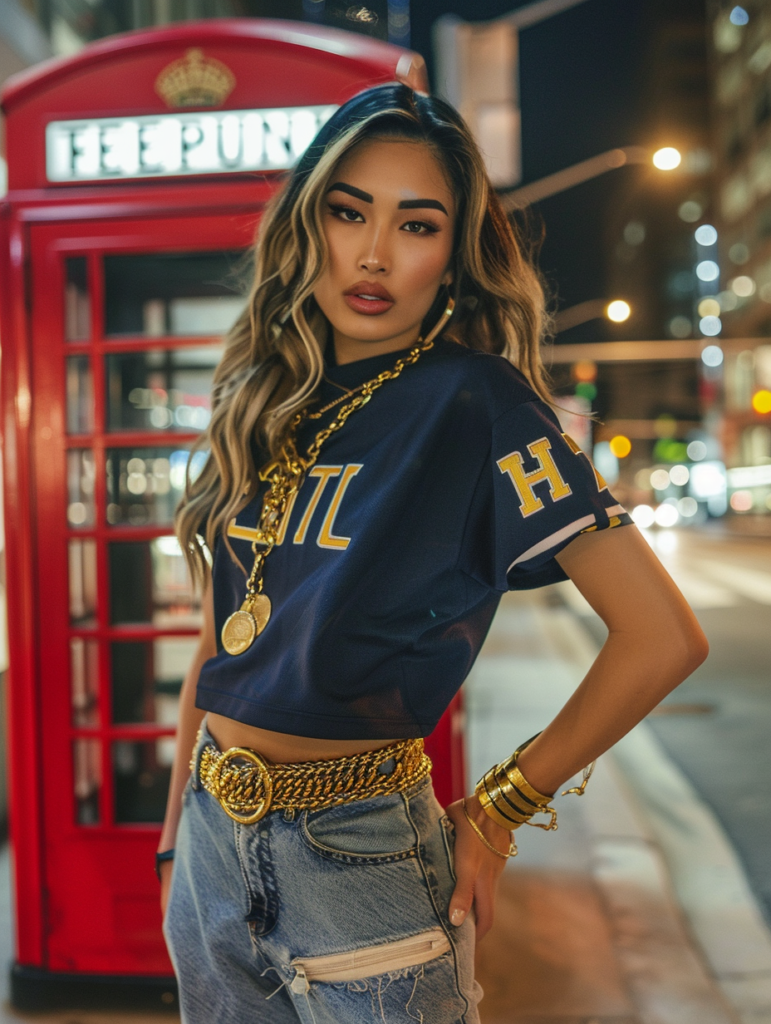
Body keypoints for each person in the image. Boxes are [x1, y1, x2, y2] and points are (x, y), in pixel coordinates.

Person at [158, 68, 708, 1024]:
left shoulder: (477, 402)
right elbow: (226, 644)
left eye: (415, 225)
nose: (372, 255)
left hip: (357, 849)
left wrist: (497, 810)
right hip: (210, 843)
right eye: (347, 213)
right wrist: (176, 842)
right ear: (307, 226)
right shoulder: (263, 394)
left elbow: (662, 635)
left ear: (452, 258)